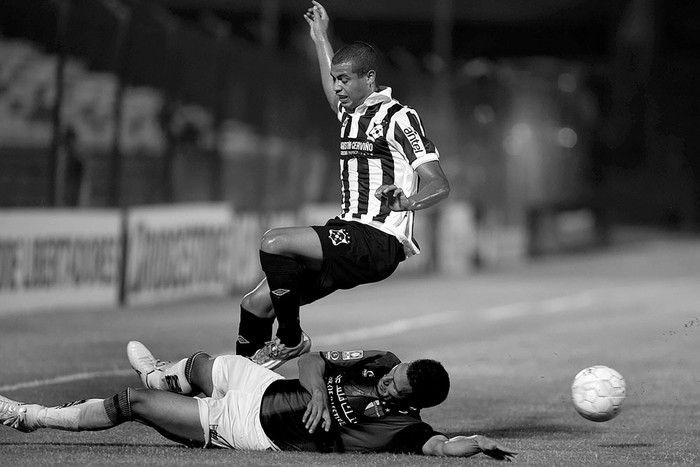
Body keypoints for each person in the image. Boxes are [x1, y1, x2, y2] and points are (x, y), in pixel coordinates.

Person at [238, 1, 450, 370]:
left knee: (276, 242)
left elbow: (439, 184)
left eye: (344, 79)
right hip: (348, 233)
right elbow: (326, 79)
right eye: (335, 79)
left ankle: (290, 339)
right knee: (255, 304)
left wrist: (407, 202)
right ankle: (235, 385)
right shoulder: (349, 113)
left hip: (378, 239)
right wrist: (320, 36)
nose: (336, 87)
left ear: (369, 79)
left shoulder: (398, 117)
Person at [0, 341, 515, 460]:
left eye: (394, 388)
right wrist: (315, 387)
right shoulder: (381, 359)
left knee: (131, 402)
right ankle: (165, 377)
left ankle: (28, 417)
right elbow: (312, 360)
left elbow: (443, 449)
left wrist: (477, 443)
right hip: (263, 386)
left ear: (411, 403)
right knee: (203, 362)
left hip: (249, 428)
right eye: (393, 375)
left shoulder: (407, 430)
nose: (385, 381)